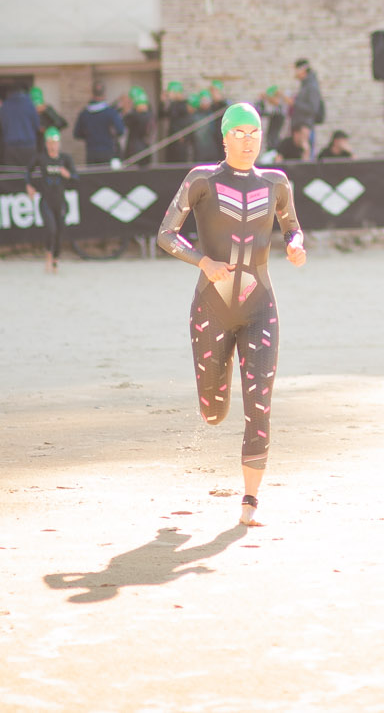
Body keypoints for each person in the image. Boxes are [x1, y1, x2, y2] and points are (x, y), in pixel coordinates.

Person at [155, 102, 308, 528]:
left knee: (259, 403)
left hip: (261, 307)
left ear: (262, 137)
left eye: (253, 132)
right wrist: (203, 261)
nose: (246, 140)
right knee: (214, 410)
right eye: (237, 132)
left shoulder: (277, 182)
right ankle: (211, 402)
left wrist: (296, 244)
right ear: (223, 138)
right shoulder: (202, 179)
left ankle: (250, 501)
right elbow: (165, 234)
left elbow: (292, 225)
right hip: (212, 310)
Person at [25, 127, 78, 273]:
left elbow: (76, 179)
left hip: (60, 200)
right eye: (49, 143)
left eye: (55, 143)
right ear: (46, 144)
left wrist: (68, 175)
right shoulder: (41, 158)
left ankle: (56, 260)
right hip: (46, 200)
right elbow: (28, 171)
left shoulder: (65, 159)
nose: (52, 146)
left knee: (60, 231)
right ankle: (48, 255)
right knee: (51, 229)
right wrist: (29, 185)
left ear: (59, 144)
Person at [74, 82, 125, 166]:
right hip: (107, 152)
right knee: (107, 177)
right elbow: (121, 131)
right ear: (104, 95)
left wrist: (89, 136)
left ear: (92, 94)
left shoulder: (84, 113)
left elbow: (76, 134)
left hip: (91, 152)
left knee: (93, 178)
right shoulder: (111, 112)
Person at [0, 84, 40, 168]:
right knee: (29, 173)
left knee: (13, 175)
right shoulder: (29, 104)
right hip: (28, 145)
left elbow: (2, 126)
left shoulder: (5, 106)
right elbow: (36, 125)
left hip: (11, 146)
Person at [289, 59, 325, 139]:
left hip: (305, 130)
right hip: (300, 129)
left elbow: (312, 109)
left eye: (296, 70)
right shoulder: (305, 85)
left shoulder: (311, 86)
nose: (295, 73)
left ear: (303, 70)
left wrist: (294, 103)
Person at [161, 81, 194, 164]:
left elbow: (186, 122)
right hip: (172, 140)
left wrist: (182, 135)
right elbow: (162, 115)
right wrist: (163, 103)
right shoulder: (173, 105)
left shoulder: (184, 105)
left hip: (181, 140)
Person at [121, 85, 154, 162]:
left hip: (134, 150)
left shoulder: (133, 116)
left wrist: (125, 108)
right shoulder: (150, 114)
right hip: (146, 149)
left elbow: (122, 123)